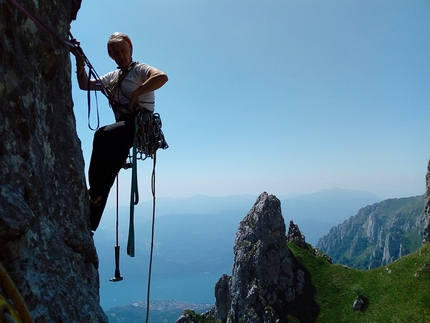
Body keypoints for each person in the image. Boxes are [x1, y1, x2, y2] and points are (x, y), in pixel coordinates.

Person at [70, 32, 168, 231]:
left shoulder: (140, 70)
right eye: (116, 52)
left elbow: (161, 77)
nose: (121, 55)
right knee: (108, 173)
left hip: (139, 124)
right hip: (124, 129)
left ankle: (94, 194)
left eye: (123, 50)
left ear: (130, 50)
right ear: (110, 55)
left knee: (102, 135)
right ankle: (90, 224)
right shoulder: (112, 77)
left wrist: (137, 94)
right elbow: (84, 85)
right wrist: (79, 63)